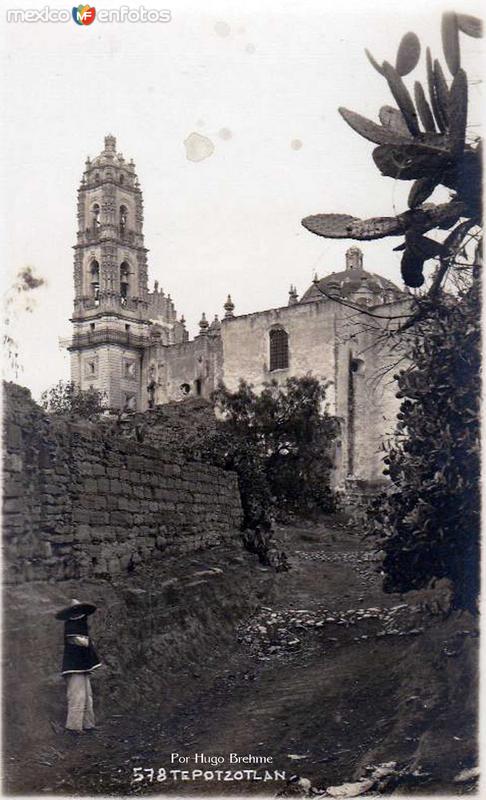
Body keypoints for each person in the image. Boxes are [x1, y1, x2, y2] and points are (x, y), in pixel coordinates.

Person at [55, 599, 101, 734]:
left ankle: (88, 724)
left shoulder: (80, 625)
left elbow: (86, 643)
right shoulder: (71, 627)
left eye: (80, 611)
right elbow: (82, 643)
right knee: (77, 696)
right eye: (75, 612)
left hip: (82, 666)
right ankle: (74, 727)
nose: (79, 614)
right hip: (74, 667)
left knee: (88, 696)